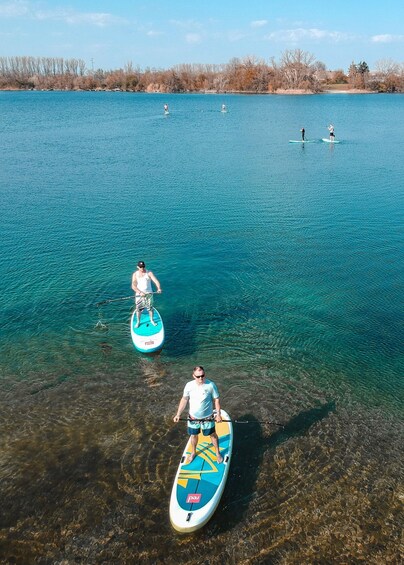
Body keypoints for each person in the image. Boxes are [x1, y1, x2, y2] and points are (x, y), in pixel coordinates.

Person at [173, 366, 223, 464]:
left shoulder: (211, 385)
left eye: (202, 376)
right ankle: (193, 452)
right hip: (193, 418)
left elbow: (216, 399)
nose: (201, 378)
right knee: (193, 435)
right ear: (193, 376)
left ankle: (217, 453)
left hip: (208, 418)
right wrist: (178, 414)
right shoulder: (189, 385)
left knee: (212, 435)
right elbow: (184, 399)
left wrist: (218, 414)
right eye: (198, 376)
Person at [131, 261, 162, 328]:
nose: (142, 268)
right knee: (138, 309)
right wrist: (140, 292)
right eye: (141, 267)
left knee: (150, 308)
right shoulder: (135, 274)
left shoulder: (149, 273)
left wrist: (158, 288)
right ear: (138, 267)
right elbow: (133, 286)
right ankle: (138, 322)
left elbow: (156, 281)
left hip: (149, 295)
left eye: (143, 267)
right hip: (139, 296)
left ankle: (151, 320)